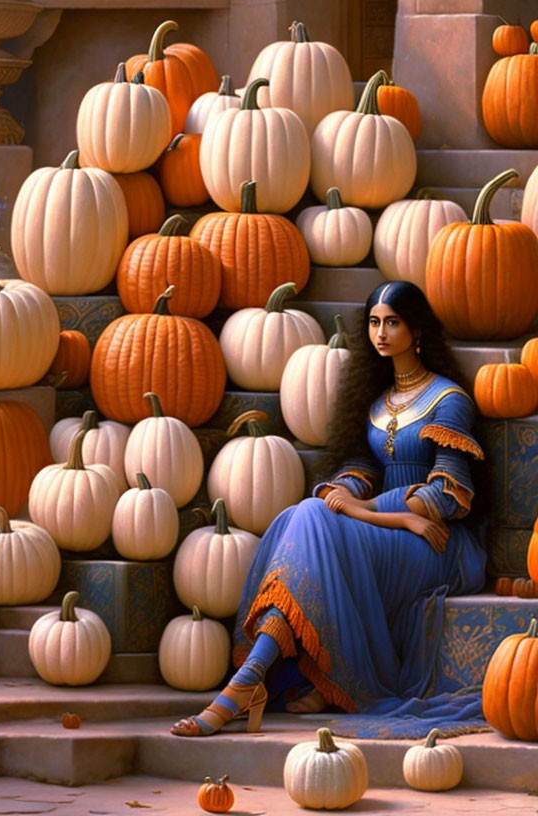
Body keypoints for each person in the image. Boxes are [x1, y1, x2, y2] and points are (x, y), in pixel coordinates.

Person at [170, 280, 487, 737]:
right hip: (395, 524)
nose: (380, 333)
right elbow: (360, 466)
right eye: (374, 322)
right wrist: (348, 495)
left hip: (434, 543)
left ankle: (253, 685)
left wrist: (367, 511)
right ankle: (254, 680)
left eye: (392, 323)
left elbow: (443, 494)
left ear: (417, 330)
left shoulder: (447, 399)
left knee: (312, 521)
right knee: (310, 514)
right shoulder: (375, 401)